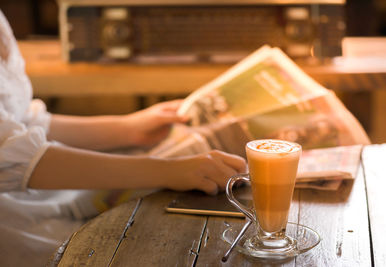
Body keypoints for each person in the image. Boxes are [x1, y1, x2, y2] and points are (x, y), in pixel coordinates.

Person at [0, 11, 246, 266]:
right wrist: (167, 171)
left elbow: (24, 123)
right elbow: (16, 160)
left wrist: (130, 128)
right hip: (20, 230)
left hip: (56, 198)